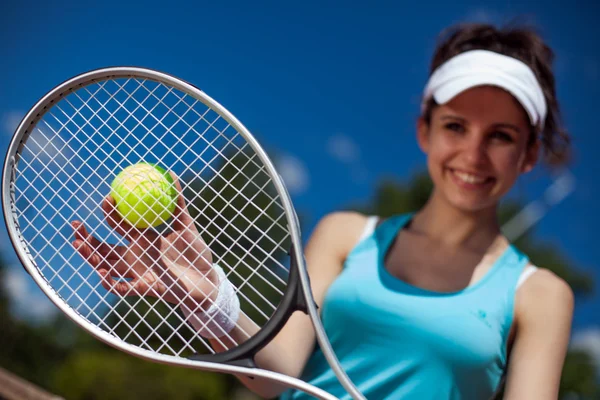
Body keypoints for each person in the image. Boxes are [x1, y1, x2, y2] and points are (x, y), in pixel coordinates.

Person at [72, 21, 575, 400]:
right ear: (425, 130)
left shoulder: (542, 296)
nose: (473, 154)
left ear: (529, 154)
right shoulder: (344, 235)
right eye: (456, 126)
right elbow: (278, 372)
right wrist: (210, 300)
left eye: (502, 136)